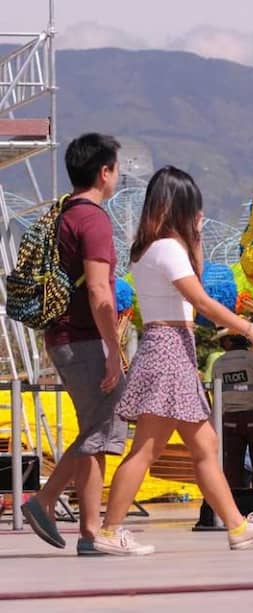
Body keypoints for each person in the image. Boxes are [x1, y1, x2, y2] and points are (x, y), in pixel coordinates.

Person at [93, 166, 253, 555]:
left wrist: (195, 237)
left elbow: (193, 283)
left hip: (171, 346)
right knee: (147, 449)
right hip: (169, 349)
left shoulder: (152, 248)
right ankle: (110, 530)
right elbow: (201, 301)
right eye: (194, 209)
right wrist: (250, 330)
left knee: (204, 445)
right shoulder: (166, 248)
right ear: (179, 206)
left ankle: (235, 525)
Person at [20, 134, 128, 556]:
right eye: (116, 169)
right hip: (85, 339)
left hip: (63, 337)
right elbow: (101, 293)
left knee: (94, 433)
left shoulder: (64, 214)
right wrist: (114, 353)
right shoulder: (94, 220)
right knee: (101, 429)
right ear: (104, 172)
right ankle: (46, 502)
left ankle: (89, 532)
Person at [211, 315, 253, 488]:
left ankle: (237, 501)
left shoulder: (218, 364)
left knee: (233, 465)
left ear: (229, 341)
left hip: (229, 420)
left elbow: (217, 394)